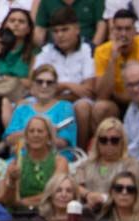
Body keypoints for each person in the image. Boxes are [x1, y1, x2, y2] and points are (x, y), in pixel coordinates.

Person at [34, 7, 96, 146]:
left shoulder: (88, 49)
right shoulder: (45, 51)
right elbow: (37, 88)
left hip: (77, 103)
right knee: (24, 104)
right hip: (49, 100)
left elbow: (88, 91)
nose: (60, 35)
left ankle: (79, 151)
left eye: (64, 30)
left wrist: (57, 89)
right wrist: (70, 86)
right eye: (55, 31)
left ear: (77, 29)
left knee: (83, 107)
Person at [94, 9, 139, 117]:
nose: (123, 34)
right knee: (100, 108)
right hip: (116, 105)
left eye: (128, 29)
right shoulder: (102, 51)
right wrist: (112, 59)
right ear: (112, 31)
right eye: (119, 29)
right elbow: (102, 96)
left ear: (135, 31)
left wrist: (115, 95)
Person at [2, 115, 69, 210]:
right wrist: (12, 182)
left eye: (40, 131)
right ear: (26, 136)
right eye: (31, 131)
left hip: (49, 212)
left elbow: (54, 194)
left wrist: (22, 202)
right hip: (19, 216)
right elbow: (9, 202)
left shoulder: (60, 162)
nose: (35, 135)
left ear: (49, 136)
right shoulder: (16, 163)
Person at [5, 64, 77, 149]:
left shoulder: (65, 107)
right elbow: (9, 140)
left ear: (56, 86)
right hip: (22, 157)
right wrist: (44, 132)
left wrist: (30, 138)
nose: (44, 86)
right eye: (39, 82)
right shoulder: (22, 109)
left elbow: (64, 143)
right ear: (33, 84)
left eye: (49, 82)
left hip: (55, 157)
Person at [76, 117, 139, 208]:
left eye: (114, 140)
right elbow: (75, 186)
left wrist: (102, 198)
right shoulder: (86, 164)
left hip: (119, 212)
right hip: (89, 213)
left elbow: (131, 193)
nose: (109, 144)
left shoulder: (132, 165)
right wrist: (88, 194)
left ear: (122, 142)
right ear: (97, 142)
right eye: (103, 140)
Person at [27, 172, 99, 221]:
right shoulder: (38, 220)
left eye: (68, 191)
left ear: (74, 196)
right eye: (58, 190)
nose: (63, 195)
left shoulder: (84, 216)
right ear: (50, 195)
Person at [0, 8, 39, 84]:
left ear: (28, 29)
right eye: (12, 21)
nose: (16, 24)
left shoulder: (34, 52)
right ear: (5, 26)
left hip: (20, 94)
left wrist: (9, 80)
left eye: (21, 22)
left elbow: (32, 83)